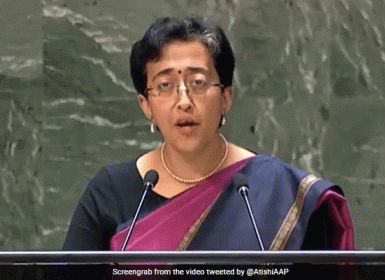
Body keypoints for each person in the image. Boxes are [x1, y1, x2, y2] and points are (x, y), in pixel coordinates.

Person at [62, 17, 354, 252]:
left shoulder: (283, 194)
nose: (184, 100)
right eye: (165, 85)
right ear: (146, 105)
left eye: (198, 82)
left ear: (226, 97)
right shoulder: (109, 192)